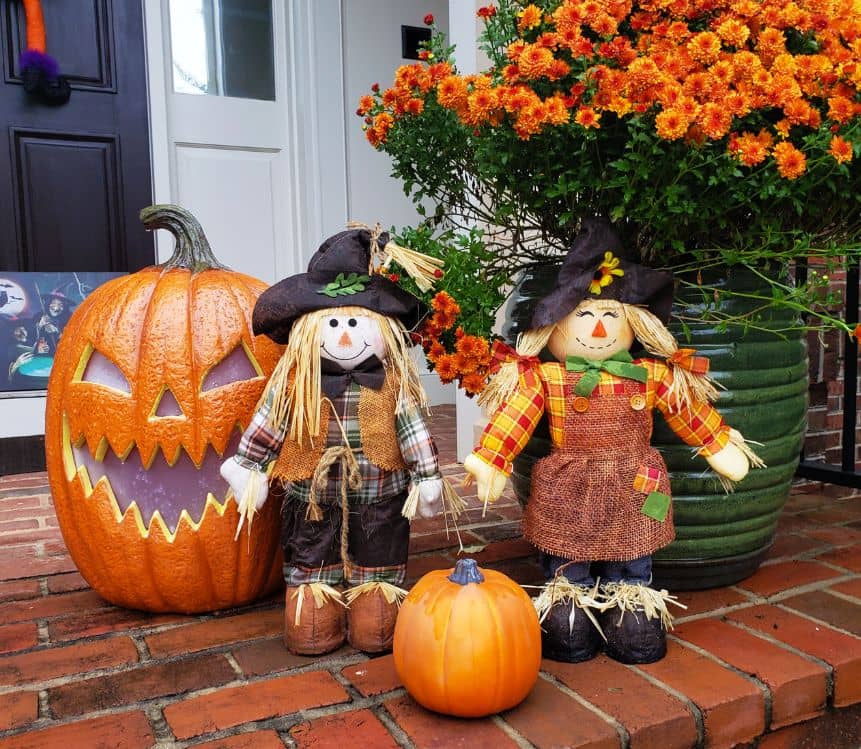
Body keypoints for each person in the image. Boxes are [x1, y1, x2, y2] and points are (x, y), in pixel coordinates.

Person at [464, 218, 761, 664]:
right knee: (568, 543)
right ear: (556, 327)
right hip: (571, 482)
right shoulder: (547, 379)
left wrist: (718, 444)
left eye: (610, 316)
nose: (599, 329)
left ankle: (631, 600)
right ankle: (570, 599)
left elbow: (687, 410)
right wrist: (493, 457)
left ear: (633, 323)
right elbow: (516, 418)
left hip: (633, 481)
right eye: (584, 316)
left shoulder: (650, 375)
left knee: (633, 542)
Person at [220, 227, 457, 656]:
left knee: (379, 550)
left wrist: (426, 476)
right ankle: (316, 602)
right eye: (332, 324)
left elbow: (412, 428)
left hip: (379, 492)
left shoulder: (393, 381)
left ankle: (374, 598)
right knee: (311, 551)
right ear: (307, 330)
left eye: (354, 323)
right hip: (312, 492)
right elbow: (271, 420)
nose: (345, 336)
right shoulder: (297, 381)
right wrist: (248, 465)